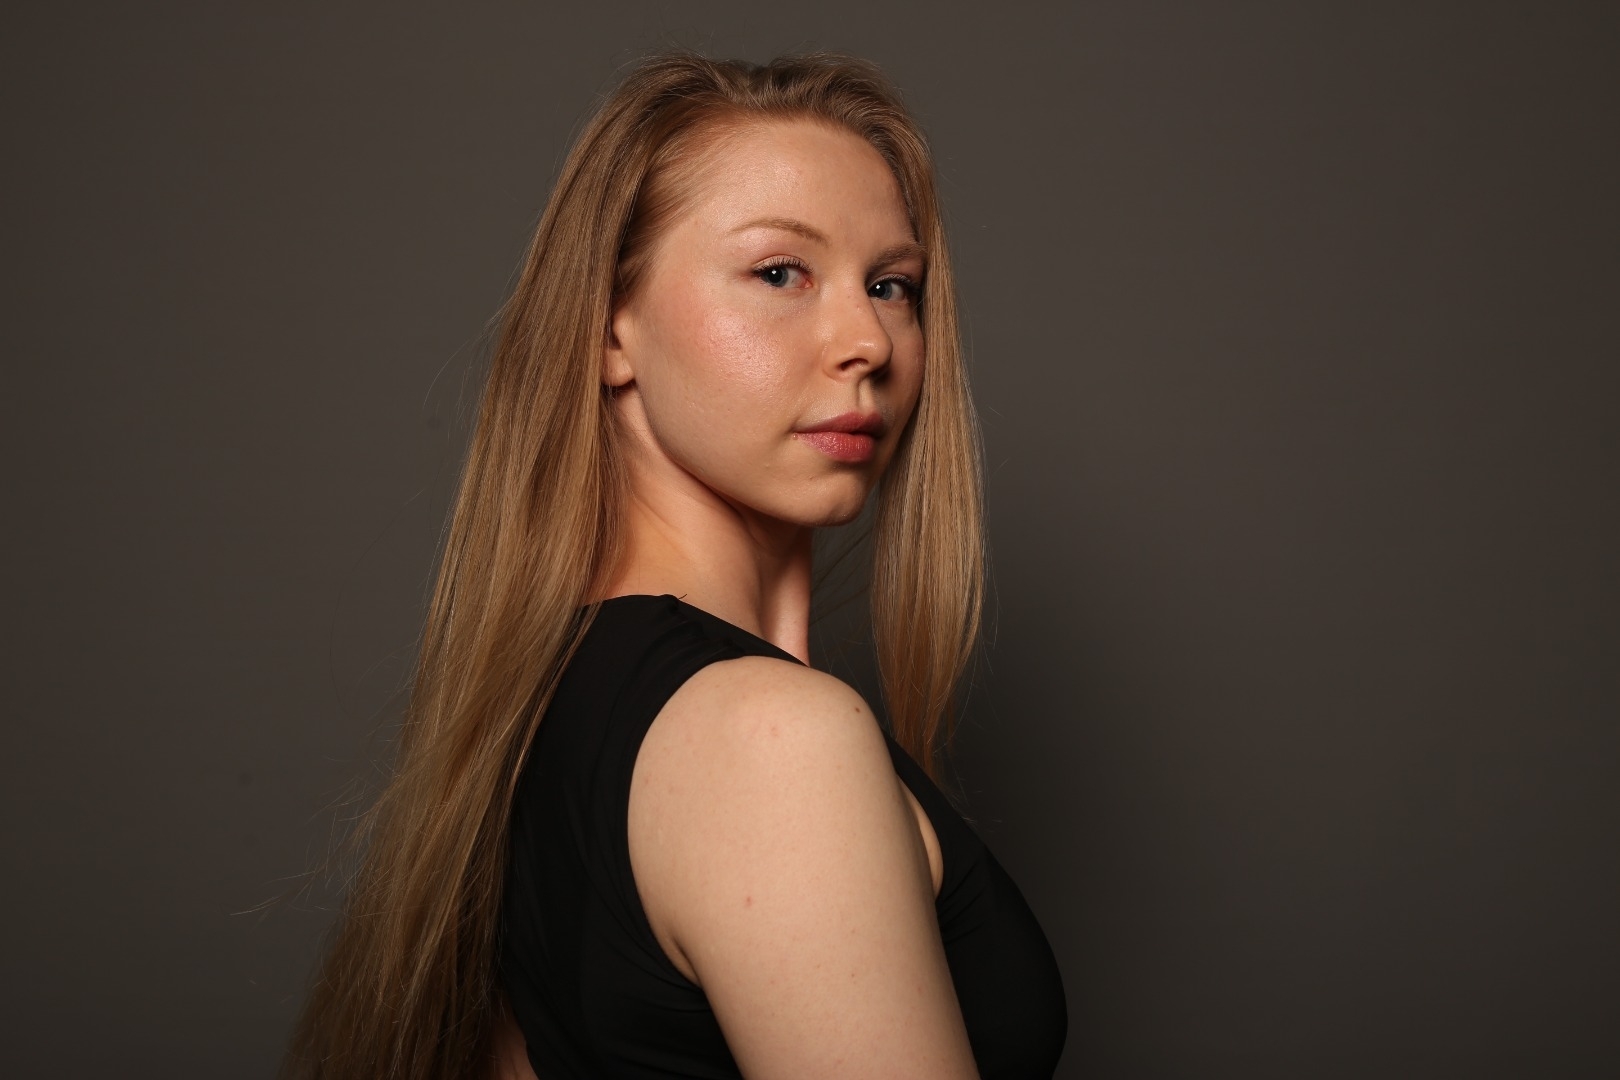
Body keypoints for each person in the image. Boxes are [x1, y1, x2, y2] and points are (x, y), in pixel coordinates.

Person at [287, 53, 1066, 1080]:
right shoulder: (774, 745)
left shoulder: (539, 710)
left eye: (891, 286)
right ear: (612, 327)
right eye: (780, 273)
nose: (868, 341)